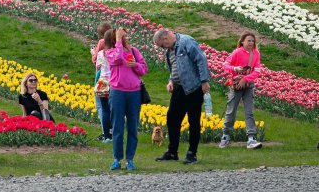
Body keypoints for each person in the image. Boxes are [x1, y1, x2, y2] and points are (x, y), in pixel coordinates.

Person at [153, 28, 211, 165]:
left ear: (166, 38)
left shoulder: (186, 42)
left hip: (193, 88)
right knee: (172, 118)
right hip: (179, 88)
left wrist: (204, 81)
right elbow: (175, 67)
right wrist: (171, 81)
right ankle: (172, 152)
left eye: (162, 45)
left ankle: (192, 153)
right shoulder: (170, 50)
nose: (162, 48)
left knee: (193, 120)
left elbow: (201, 60)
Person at [105, 28, 147, 171]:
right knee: (117, 126)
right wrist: (118, 41)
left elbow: (144, 69)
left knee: (133, 126)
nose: (124, 37)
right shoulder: (110, 52)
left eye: (122, 36)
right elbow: (117, 58)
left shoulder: (133, 51)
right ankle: (117, 159)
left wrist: (135, 65)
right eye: (120, 36)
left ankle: (130, 159)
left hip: (134, 92)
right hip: (117, 92)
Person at [219, 33, 263, 150]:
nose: (251, 43)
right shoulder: (237, 52)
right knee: (231, 110)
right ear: (242, 42)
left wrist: (245, 79)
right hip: (236, 86)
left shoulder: (256, 54)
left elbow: (257, 71)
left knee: (249, 111)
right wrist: (235, 68)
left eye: (252, 41)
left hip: (248, 85)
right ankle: (225, 136)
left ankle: (251, 138)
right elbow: (225, 65)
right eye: (248, 40)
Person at [91, 22, 112, 141]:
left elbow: (97, 65)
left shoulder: (100, 52)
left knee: (103, 108)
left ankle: (106, 134)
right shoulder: (120, 50)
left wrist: (93, 53)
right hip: (116, 81)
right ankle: (113, 132)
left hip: (103, 81)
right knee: (113, 108)